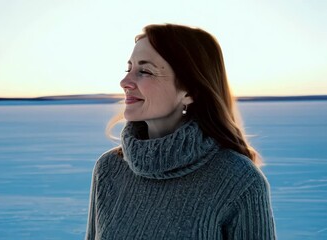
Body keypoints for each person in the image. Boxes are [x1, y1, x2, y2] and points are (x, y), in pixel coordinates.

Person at [85, 23, 276, 239]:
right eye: (129, 69)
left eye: (145, 71)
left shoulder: (239, 180)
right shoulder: (110, 169)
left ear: (189, 91)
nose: (125, 82)